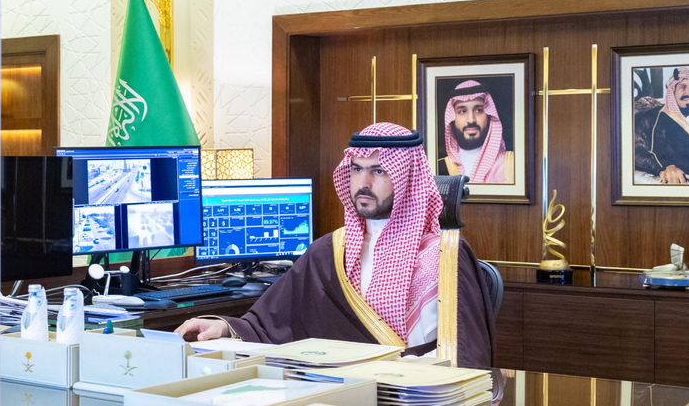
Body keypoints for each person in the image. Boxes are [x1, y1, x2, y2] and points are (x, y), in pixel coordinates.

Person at [175, 122, 495, 367]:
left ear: (406, 178)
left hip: (416, 397)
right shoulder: (330, 250)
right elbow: (271, 322)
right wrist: (224, 328)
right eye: (357, 170)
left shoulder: (444, 255)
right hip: (337, 390)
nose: (363, 183)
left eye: (379, 171)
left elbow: (467, 353)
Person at [438, 80, 514, 184]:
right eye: (462, 111)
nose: (471, 120)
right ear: (452, 119)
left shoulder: (512, 164)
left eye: (479, 110)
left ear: (489, 116)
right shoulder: (440, 167)